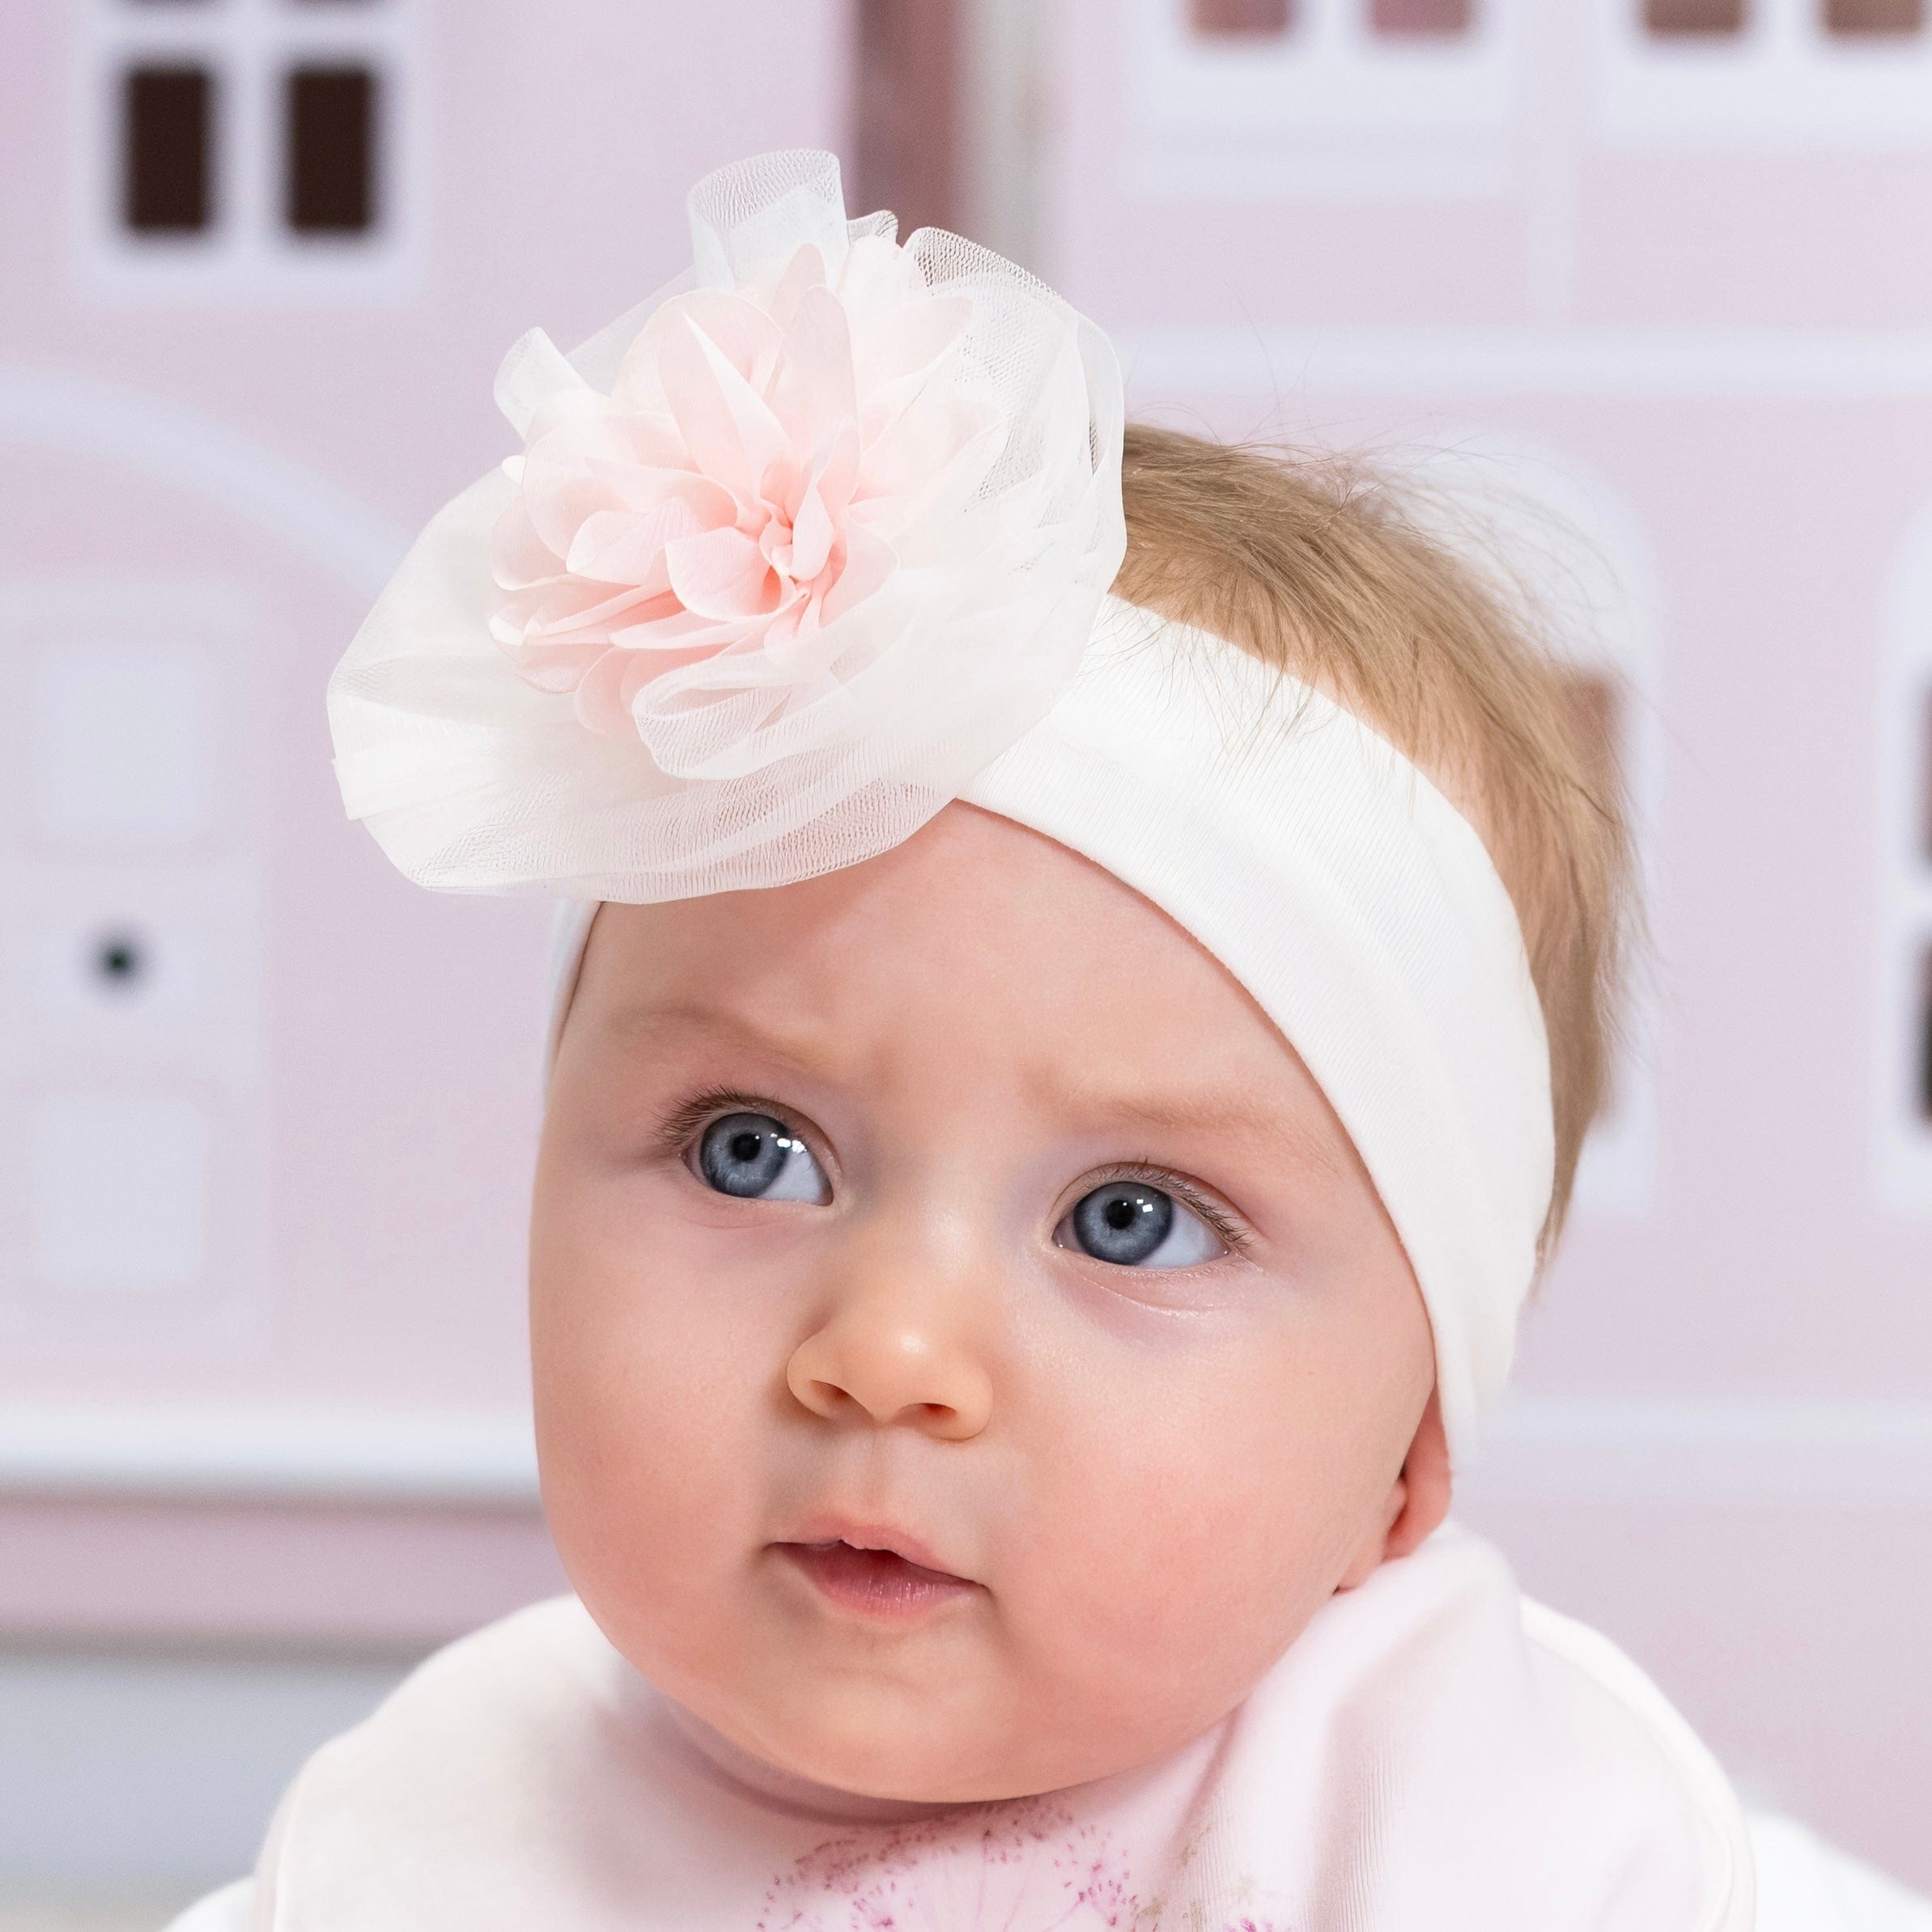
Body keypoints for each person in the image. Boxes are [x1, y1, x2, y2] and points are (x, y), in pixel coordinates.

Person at [172, 151, 1931, 1930]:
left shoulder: (1485, 1843)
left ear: (1397, 1480)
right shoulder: (445, 1852)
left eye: (1130, 1219)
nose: (890, 1353)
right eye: (751, 1150)